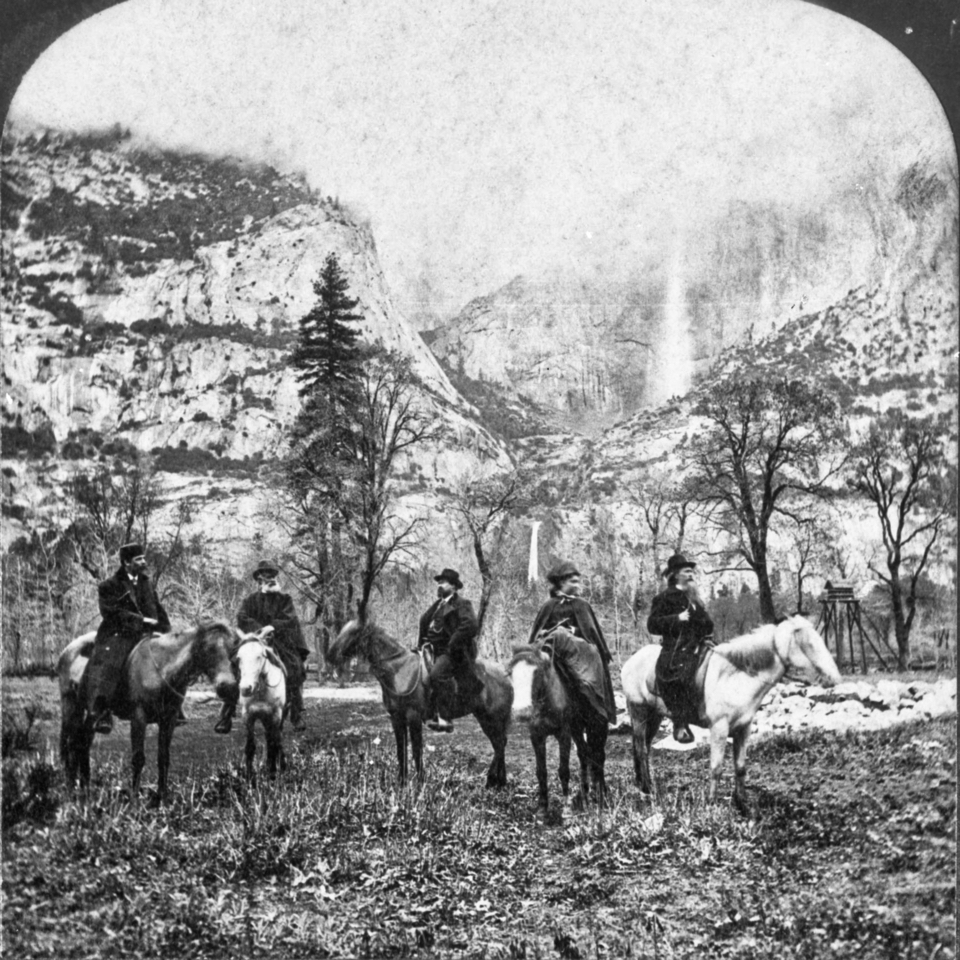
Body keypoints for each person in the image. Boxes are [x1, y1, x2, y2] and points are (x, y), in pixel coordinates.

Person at [85, 542, 172, 734]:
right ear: (126, 562)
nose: (143, 562)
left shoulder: (146, 583)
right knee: (112, 661)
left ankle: (173, 706)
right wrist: (142, 621)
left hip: (147, 633)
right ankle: (102, 708)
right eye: (138, 559)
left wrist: (167, 630)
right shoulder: (109, 586)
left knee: (169, 659)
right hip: (119, 633)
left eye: (143, 558)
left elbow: (157, 608)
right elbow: (112, 613)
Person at [215, 559, 310, 733]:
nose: (270, 579)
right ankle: (226, 714)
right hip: (253, 639)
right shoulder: (250, 600)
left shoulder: (285, 599)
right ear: (259, 580)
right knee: (234, 665)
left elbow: (290, 618)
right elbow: (242, 618)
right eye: (266, 576)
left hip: (279, 640)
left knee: (294, 666)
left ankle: (296, 714)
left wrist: (272, 627)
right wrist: (260, 630)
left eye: (272, 575)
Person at [528, 561, 618, 723]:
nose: (577, 585)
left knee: (591, 667)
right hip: (553, 652)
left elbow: (592, 634)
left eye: (578, 581)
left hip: (579, 654)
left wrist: (574, 632)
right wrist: (543, 633)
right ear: (562, 583)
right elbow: (538, 631)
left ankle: (596, 704)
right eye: (573, 582)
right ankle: (535, 707)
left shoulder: (582, 605)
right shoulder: (549, 605)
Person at [647, 553, 715, 743]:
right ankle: (680, 722)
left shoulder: (694, 598)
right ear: (676, 574)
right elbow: (652, 624)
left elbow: (707, 623)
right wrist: (676, 619)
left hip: (699, 644)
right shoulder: (664, 598)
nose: (691, 574)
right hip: (675, 648)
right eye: (687, 571)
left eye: (692, 571)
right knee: (679, 674)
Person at [418, 568, 481, 733]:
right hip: (431, 650)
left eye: (443, 582)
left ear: (453, 586)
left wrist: (453, 643)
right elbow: (424, 622)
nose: (439, 585)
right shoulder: (438, 605)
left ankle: (445, 718)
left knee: (436, 674)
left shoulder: (462, 603)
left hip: (452, 651)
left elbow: (471, 625)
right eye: (439, 582)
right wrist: (422, 642)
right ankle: (426, 713)